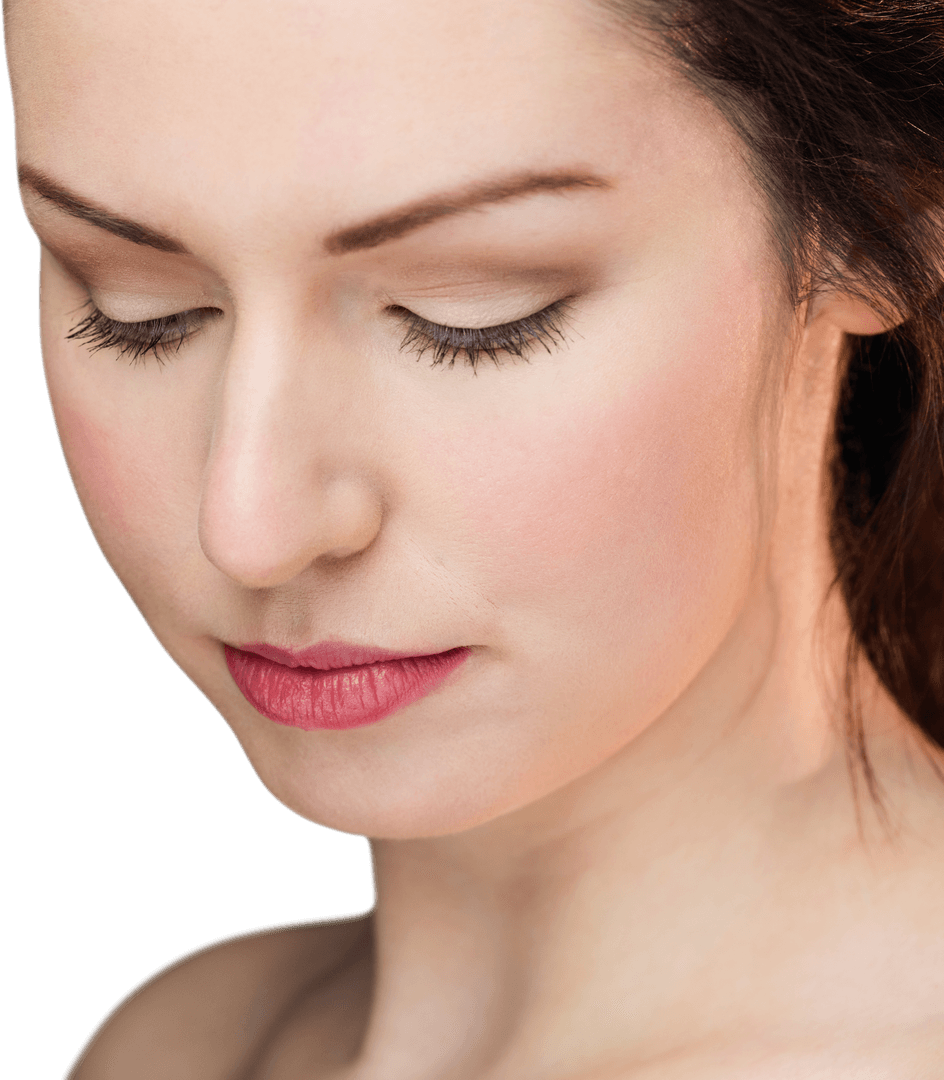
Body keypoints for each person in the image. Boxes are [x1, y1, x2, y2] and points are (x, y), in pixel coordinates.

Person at [5, 0, 944, 1075]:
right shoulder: (171, 1049)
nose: (250, 530)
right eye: (137, 307)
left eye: (470, 315)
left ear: (891, 209)